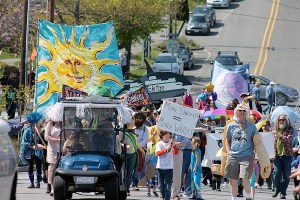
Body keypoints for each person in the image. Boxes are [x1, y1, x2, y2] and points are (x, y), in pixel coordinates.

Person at [224, 103, 258, 200]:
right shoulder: (230, 126)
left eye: (244, 111)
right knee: (233, 179)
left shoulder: (252, 126)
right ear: (236, 112)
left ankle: (248, 197)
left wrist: (255, 154)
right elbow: (227, 139)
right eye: (240, 110)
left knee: (245, 177)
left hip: (246, 155)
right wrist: (228, 151)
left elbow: (257, 140)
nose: (242, 112)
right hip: (233, 155)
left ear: (247, 113)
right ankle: (234, 198)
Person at [19, 112, 44, 188]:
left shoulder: (40, 131)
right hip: (29, 151)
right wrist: (31, 146)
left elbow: (42, 140)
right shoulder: (27, 131)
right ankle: (31, 182)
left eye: (36, 124)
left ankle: (38, 182)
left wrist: (39, 133)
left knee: (39, 166)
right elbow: (24, 142)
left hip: (38, 151)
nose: (35, 125)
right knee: (30, 166)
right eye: (34, 124)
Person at [272, 114, 294, 199]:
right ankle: (277, 189)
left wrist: (279, 135)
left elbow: (289, 139)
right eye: (280, 120)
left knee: (286, 175)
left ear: (286, 121)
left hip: (287, 155)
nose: (281, 121)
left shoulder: (290, 129)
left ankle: (283, 192)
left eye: (283, 120)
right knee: (276, 173)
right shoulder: (275, 130)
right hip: (276, 155)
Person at [155, 131, 178, 200]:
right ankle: (164, 197)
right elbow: (158, 153)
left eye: (168, 134)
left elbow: (176, 153)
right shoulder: (159, 144)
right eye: (166, 134)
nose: (168, 135)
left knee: (168, 186)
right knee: (160, 186)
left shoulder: (171, 142)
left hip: (169, 168)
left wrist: (174, 146)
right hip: (160, 167)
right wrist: (166, 149)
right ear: (162, 136)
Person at [45, 120, 61, 196]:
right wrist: (57, 140)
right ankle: (52, 188)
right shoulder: (50, 125)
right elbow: (47, 137)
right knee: (52, 168)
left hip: (62, 149)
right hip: (52, 150)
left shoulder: (63, 122)